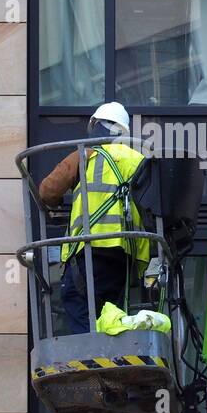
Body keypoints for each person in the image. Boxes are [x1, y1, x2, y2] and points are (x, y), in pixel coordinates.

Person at [39, 102, 148, 335]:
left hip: (91, 247)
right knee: (109, 312)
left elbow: (48, 190)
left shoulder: (85, 154)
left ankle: (91, 359)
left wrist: (57, 204)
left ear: (99, 127)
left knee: (75, 298)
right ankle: (110, 359)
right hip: (125, 252)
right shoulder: (138, 160)